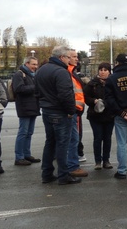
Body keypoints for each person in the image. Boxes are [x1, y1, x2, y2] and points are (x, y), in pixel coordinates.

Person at [36, 46, 81, 185]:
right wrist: (70, 111)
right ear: (61, 57)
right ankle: (63, 175)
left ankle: (47, 173)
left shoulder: (41, 70)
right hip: (60, 112)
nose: (70, 60)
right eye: (68, 57)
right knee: (62, 144)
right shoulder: (61, 72)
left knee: (50, 143)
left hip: (47, 111)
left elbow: (37, 91)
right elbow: (65, 95)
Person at [84, 62, 114, 170]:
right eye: (101, 70)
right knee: (97, 138)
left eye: (105, 70)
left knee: (107, 138)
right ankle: (98, 161)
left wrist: (108, 103)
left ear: (109, 71)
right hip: (95, 115)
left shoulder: (112, 82)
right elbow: (85, 97)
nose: (102, 72)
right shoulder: (92, 84)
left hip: (109, 115)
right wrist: (94, 101)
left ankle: (106, 160)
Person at [12, 56, 42, 166]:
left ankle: (26, 154)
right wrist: (35, 87)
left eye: (36, 64)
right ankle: (19, 157)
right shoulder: (19, 74)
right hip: (24, 107)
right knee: (23, 132)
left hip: (32, 107)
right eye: (33, 64)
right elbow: (18, 89)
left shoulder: (32, 75)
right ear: (27, 64)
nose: (36, 66)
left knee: (29, 133)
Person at [66, 49, 88, 178]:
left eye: (77, 56)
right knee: (72, 139)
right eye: (74, 57)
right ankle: (72, 166)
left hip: (75, 111)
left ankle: (70, 164)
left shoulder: (72, 73)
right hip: (71, 111)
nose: (77, 59)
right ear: (66, 58)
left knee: (72, 139)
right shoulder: (67, 73)